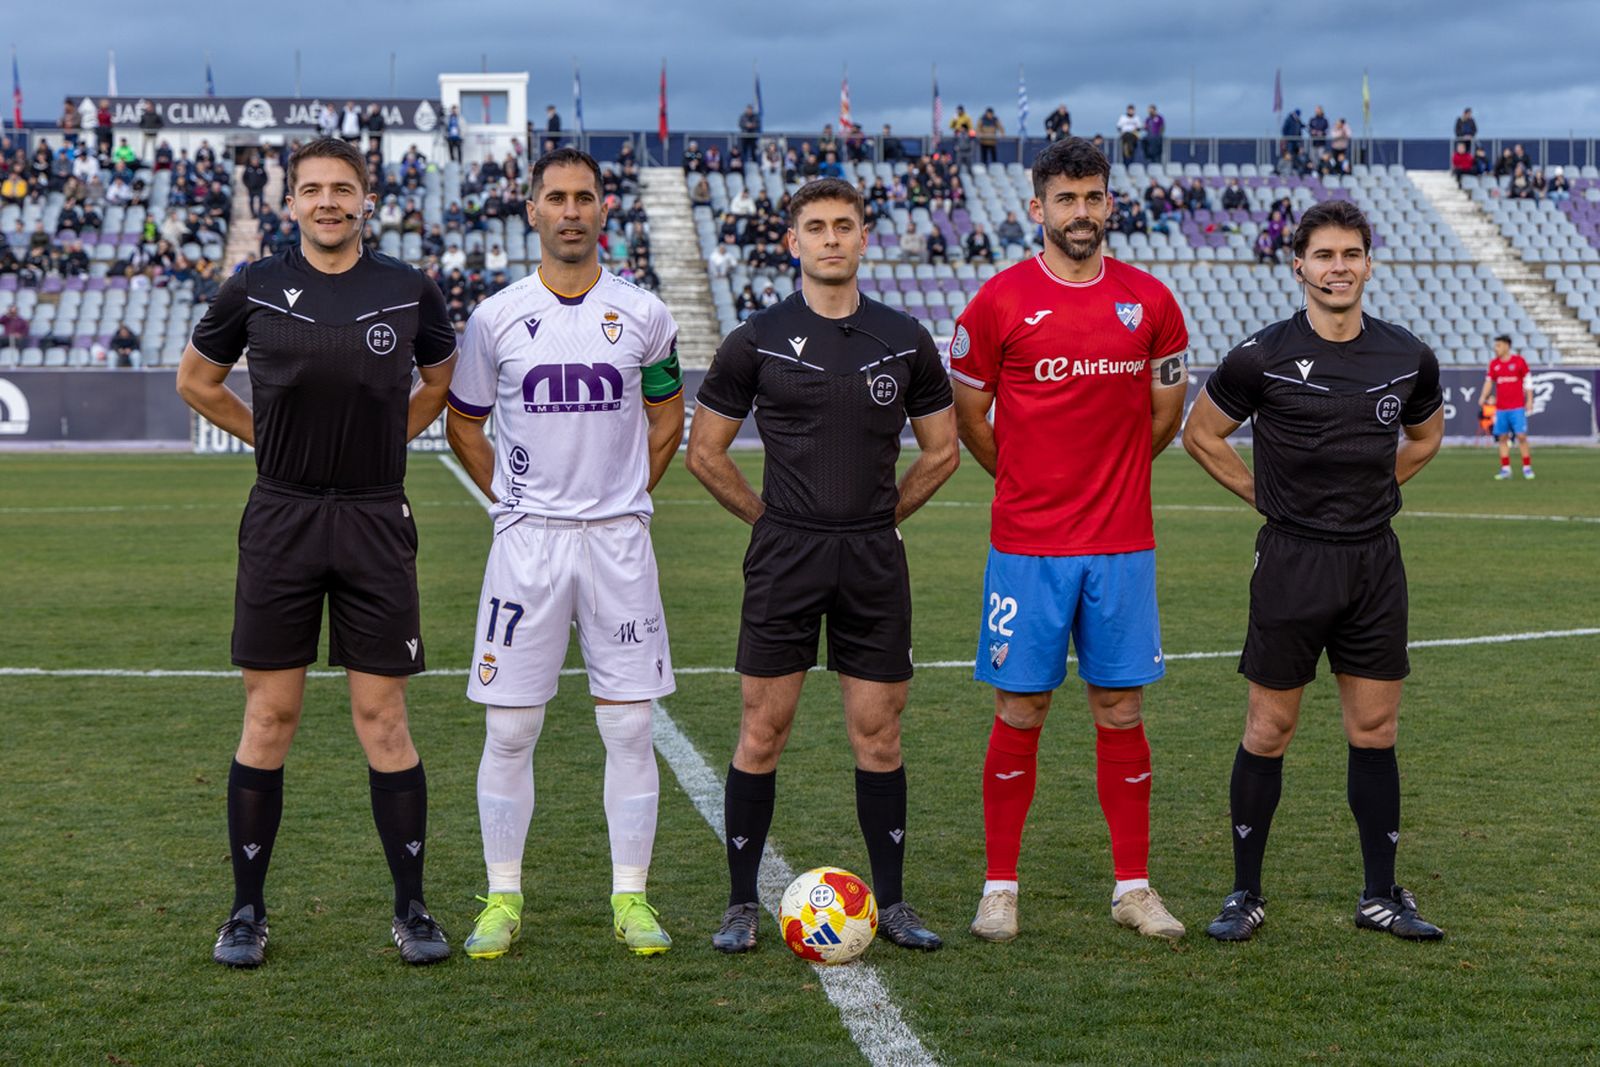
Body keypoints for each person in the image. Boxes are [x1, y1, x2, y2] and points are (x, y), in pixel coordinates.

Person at [175, 137, 459, 969]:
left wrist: (383, 447)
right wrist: (271, 442)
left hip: (374, 519)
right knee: (270, 716)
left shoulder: (408, 288)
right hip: (283, 518)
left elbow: (437, 383)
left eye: (343, 188)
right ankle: (245, 912)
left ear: (366, 199)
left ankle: (411, 908)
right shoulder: (255, 286)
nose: (328, 201)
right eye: (312, 189)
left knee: (384, 719)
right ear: (290, 202)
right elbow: (196, 380)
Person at [686, 176, 960, 955]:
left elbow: (943, 453)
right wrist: (770, 521)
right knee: (762, 728)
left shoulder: (904, 338)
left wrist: (881, 519)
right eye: (817, 226)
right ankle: (741, 904)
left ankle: (897, 901)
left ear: (865, 237)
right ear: (792, 240)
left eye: (845, 225)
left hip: (873, 555)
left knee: (879, 734)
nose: (832, 238)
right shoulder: (756, 338)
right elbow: (704, 454)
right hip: (786, 554)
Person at [1181, 199, 1447, 944]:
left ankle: (1379, 894)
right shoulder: (1261, 354)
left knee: (1376, 726)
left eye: (1351, 254)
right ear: (1298, 264)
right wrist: (1264, 494)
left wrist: (1375, 491)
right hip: (1292, 560)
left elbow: (1425, 436)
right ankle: (1245, 892)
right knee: (1270, 726)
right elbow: (1202, 434)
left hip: (1373, 562)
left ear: (1369, 262)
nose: (1338, 268)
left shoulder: (1407, 354)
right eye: (1324, 255)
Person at [949, 137, 1190, 945]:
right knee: (1020, 707)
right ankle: (1000, 888)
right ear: (1037, 209)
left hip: (1122, 542)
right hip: (1027, 544)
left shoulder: (1152, 303)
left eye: (1092, 198)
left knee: (1120, 707)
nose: (1080, 213)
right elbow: (971, 418)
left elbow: (1165, 415)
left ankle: (1133, 886)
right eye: (1065, 199)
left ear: (1110, 204)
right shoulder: (997, 303)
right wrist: (1022, 478)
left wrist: (1113, 474)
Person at [444, 147, 684, 961]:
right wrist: (506, 500)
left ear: (604, 209)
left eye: (585, 197)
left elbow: (667, 416)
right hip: (528, 546)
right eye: (557, 198)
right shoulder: (495, 317)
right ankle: (502, 898)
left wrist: (629, 491)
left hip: (618, 542)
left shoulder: (645, 314)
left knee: (630, 725)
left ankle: (632, 897)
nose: (572, 210)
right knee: (511, 727)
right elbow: (463, 423)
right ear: (533, 211)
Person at [1482, 334, 1534, 479]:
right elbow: (1489, 382)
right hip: (1501, 408)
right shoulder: (1494, 364)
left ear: (1506, 346)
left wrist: (1529, 400)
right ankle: (1506, 469)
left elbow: (1528, 381)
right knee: (1502, 437)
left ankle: (1527, 467)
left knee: (1521, 436)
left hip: (1517, 407)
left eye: (1498, 345)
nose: (1495, 348)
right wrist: (1483, 396)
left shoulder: (1519, 362)